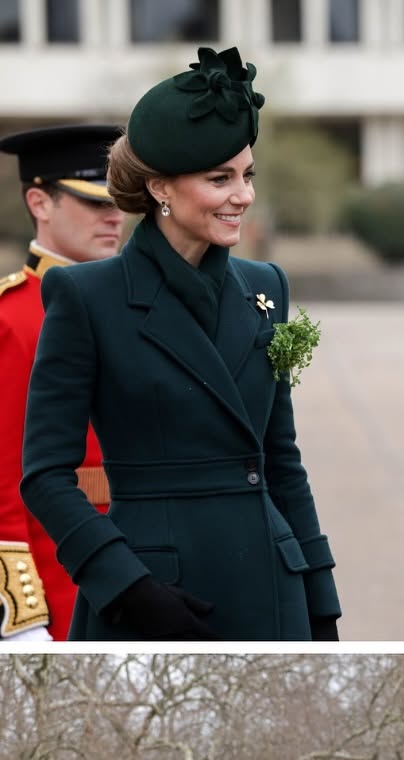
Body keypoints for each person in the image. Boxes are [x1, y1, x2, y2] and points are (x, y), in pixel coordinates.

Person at [20, 46, 340, 641]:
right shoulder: (85, 295)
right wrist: (125, 585)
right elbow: (44, 475)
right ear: (161, 187)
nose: (242, 195)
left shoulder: (265, 286)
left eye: (247, 175)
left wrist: (320, 599)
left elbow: (282, 460)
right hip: (154, 594)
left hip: (272, 586)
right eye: (219, 178)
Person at [0, 123, 122, 643]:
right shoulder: (11, 320)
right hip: (64, 587)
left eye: (119, 201)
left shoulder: (136, 305)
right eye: (93, 202)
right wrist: (22, 616)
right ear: (40, 202)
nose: (114, 215)